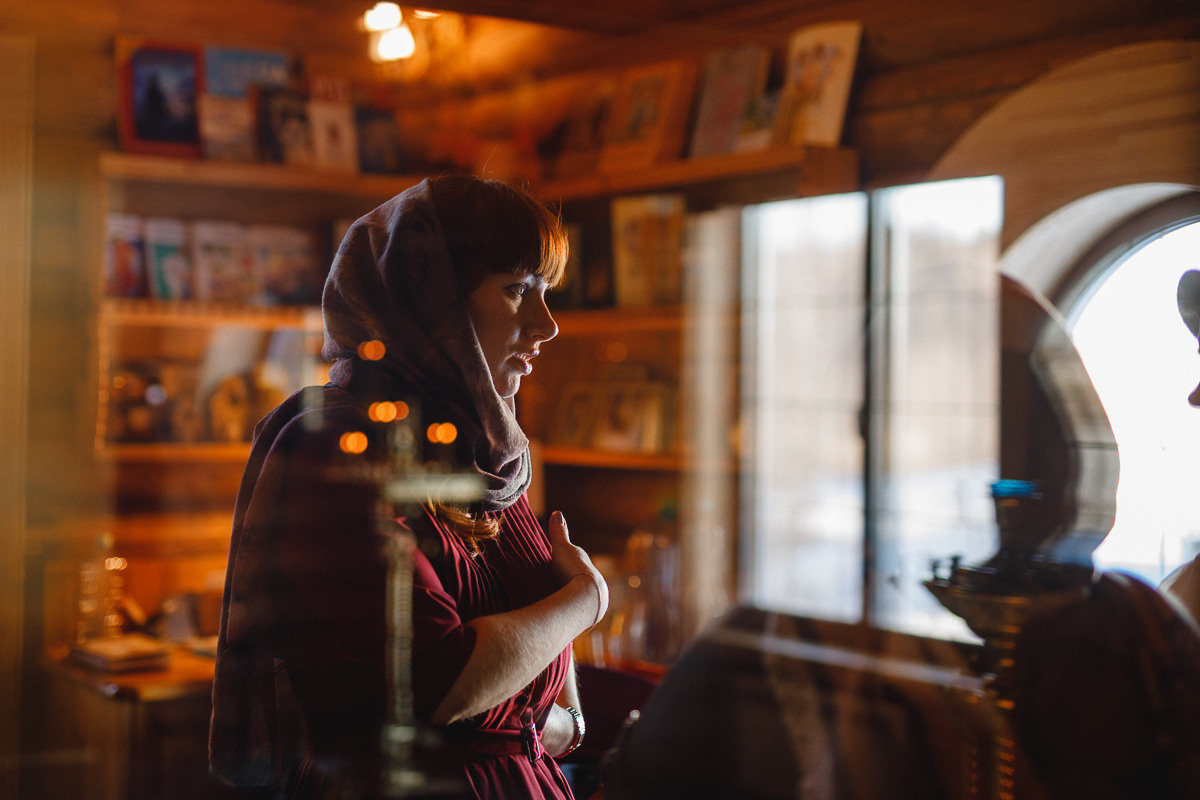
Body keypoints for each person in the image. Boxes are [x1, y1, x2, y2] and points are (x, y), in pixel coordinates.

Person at [209, 174, 609, 800]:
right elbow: (437, 684)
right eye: (515, 291)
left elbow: (535, 639)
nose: (546, 325)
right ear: (429, 302)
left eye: (544, 292)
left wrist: (560, 724)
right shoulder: (334, 451)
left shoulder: (485, 455)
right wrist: (585, 601)